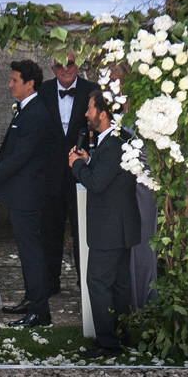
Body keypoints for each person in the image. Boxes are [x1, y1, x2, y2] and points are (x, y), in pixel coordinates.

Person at [0, 60, 52, 326]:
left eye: (14, 80)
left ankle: (40, 310)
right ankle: (31, 299)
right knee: (25, 249)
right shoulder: (25, 110)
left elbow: (20, 158)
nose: (9, 84)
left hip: (27, 195)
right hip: (19, 193)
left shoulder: (36, 114)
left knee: (32, 251)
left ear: (30, 84)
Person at [68, 85, 142, 358]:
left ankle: (108, 344)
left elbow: (97, 183)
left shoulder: (112, 144)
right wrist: (89, 160)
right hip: (121, 228)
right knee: (120, 285)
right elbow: (108, 175)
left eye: (90, 109)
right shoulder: (117, 139)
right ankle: (121, 337)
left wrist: (77, 165)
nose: (86, 114)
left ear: (103, 112)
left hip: (110, 229)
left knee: (98, 283)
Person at [37, 51, 92, 296]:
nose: (66, 69)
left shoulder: (93, 90)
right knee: (50, 231)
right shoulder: (43, 90)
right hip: (51, 175)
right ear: (53, 68)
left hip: (83, 174)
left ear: (77, 65)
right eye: (60, 65)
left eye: (70, 64)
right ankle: (50, 283)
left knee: (84, 231)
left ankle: (87, 283)